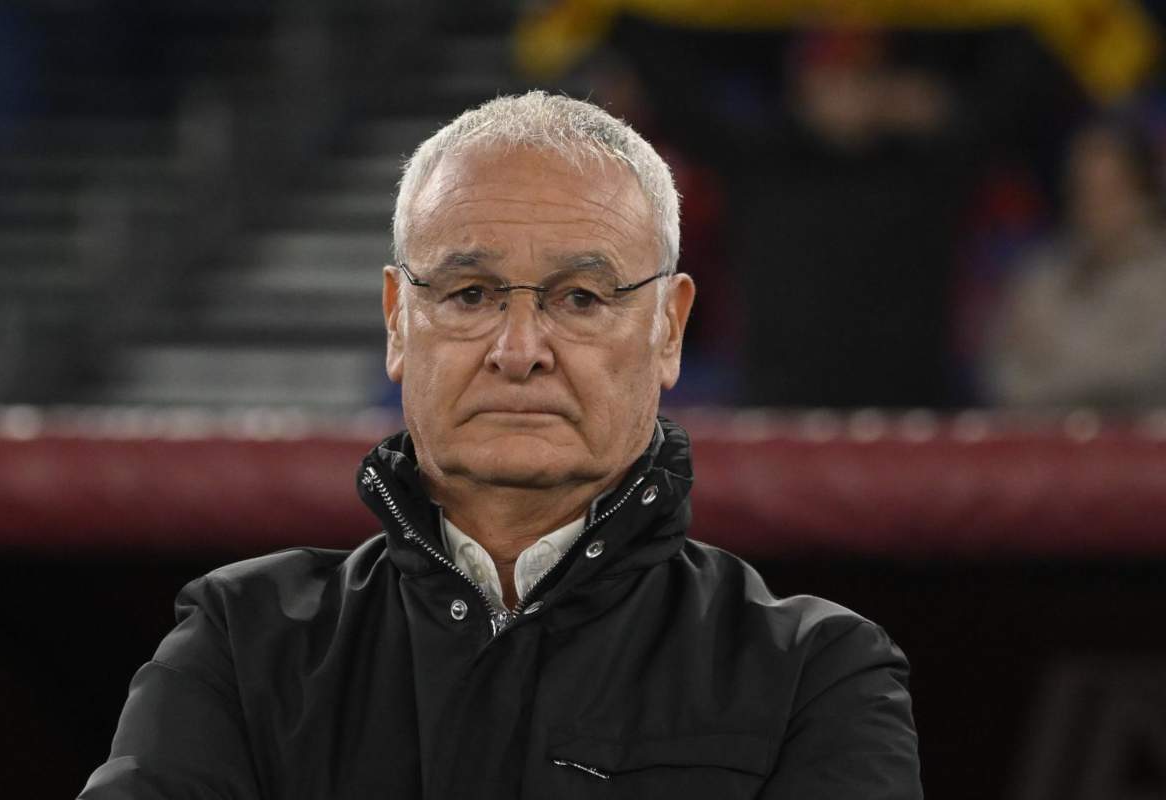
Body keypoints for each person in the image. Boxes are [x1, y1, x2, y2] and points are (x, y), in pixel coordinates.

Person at [80, 91, 921, 799]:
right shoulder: (238, 642)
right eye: (471, 294)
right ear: (396, 322)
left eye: (581, 297)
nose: (519, 350)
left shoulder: (818, 675)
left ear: (669, 329)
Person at [984, 119, 1166, 407]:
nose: (1095, 206)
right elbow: (1005, 377)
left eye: (1110, 192)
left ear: (1143, 194)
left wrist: (1054, 357)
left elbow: (1147, 371)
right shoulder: (1040, 276)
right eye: (1083, 190)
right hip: (1047, 434)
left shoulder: (1160, 276)